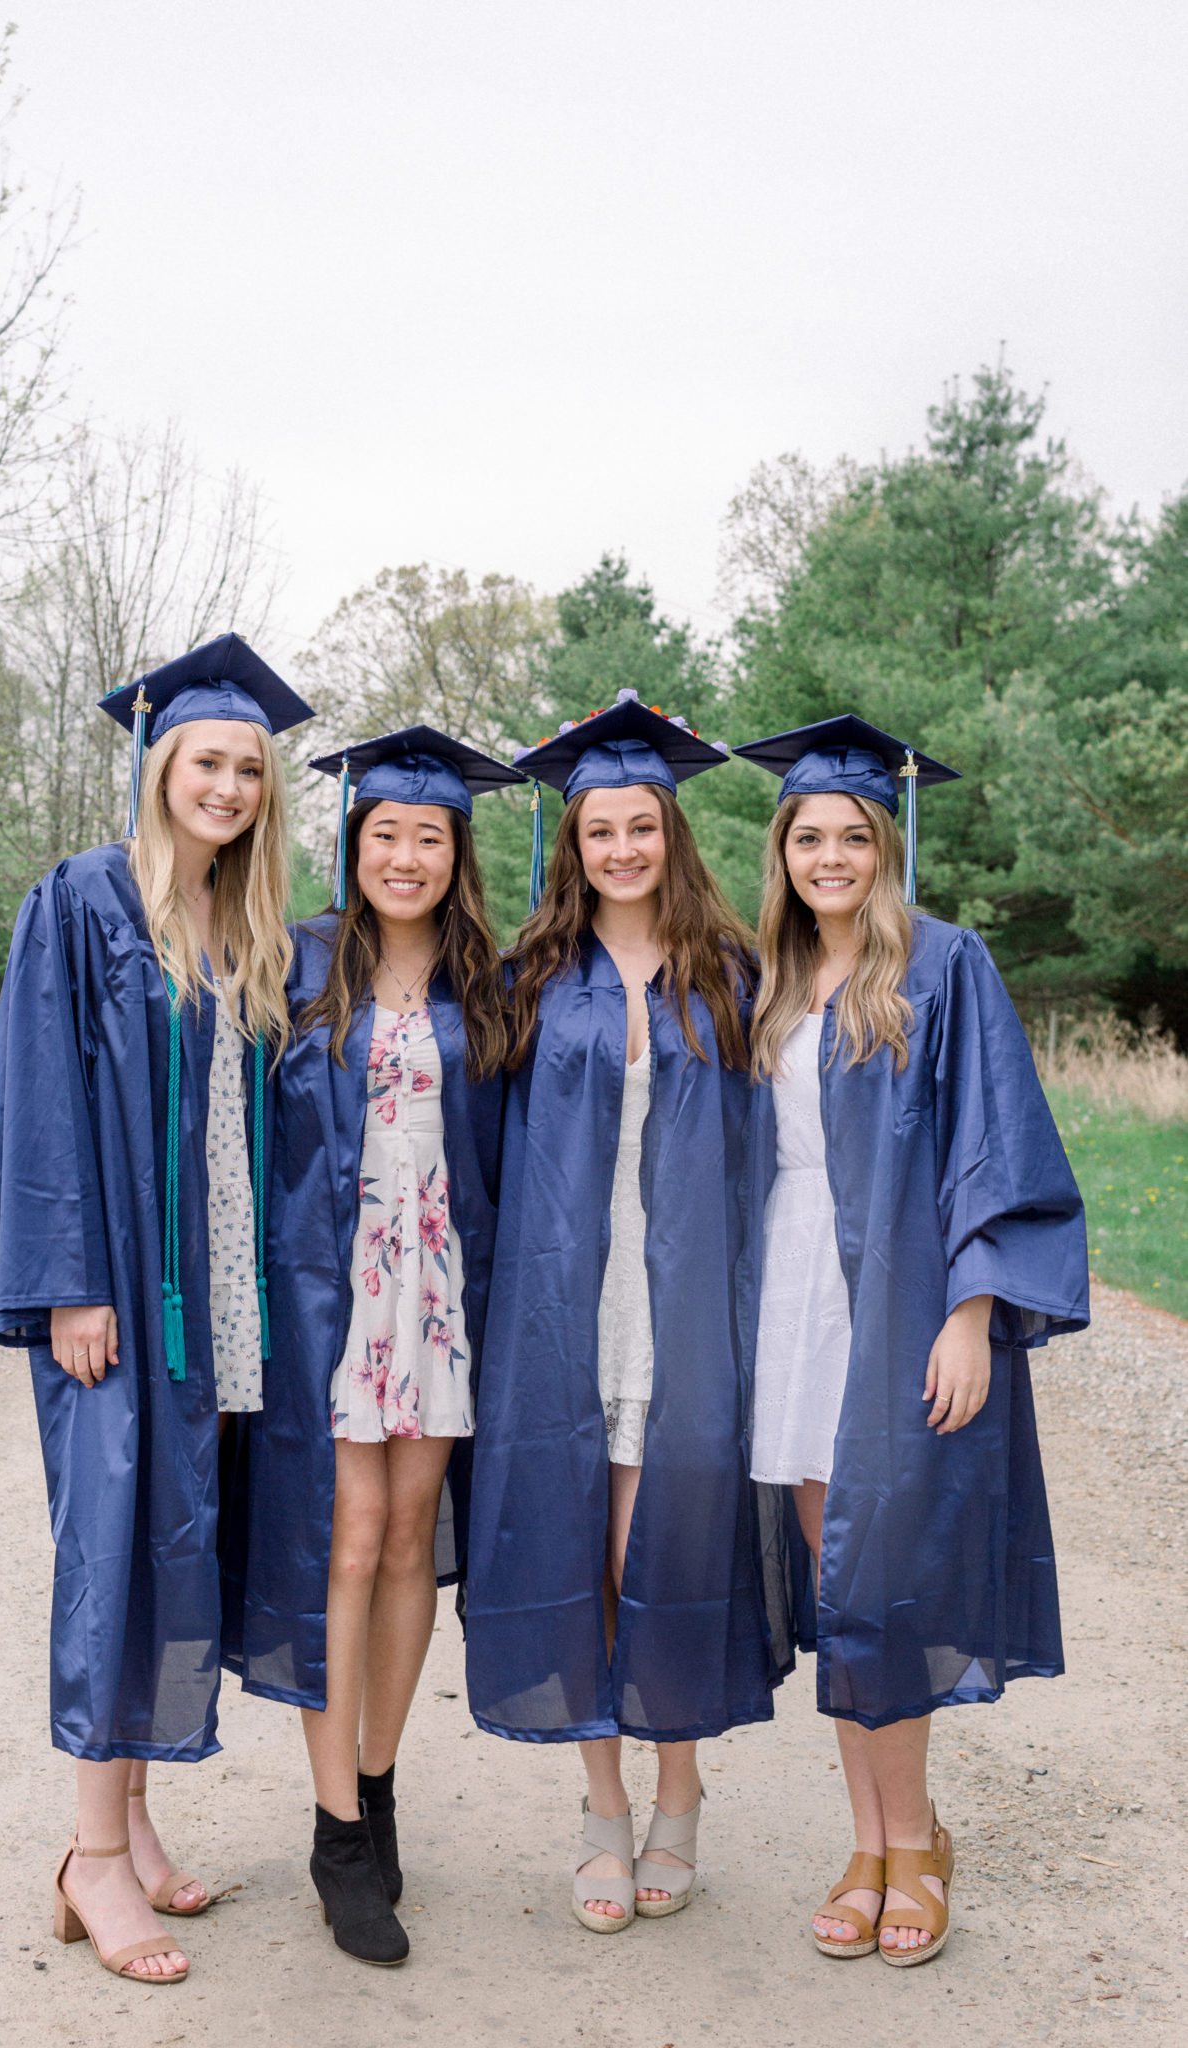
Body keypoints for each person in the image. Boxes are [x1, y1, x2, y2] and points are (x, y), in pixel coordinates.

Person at [733, 714, 1088, 1967]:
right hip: (790, 1298)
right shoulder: (766, 980)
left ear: (884, 848)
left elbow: (1000, 1144)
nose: (830, 856)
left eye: (852, 836)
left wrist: (974, 1311)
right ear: (781, 853)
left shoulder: (946, 965)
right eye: (808, 836)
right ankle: (873, 1841)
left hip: (897, 1300)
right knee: (843, 1585)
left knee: (886, 1575)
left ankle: (917, 1835)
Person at [0, 635, 312, 1984]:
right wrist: (68, 1285)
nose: (226, 784)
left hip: (216, 1303)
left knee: (177, 1542)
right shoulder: (80, 903)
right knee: (115, 1549)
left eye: (247, 767)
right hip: (119, 1291)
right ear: (157, 765)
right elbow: (40, 1101)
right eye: (206, 761)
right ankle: (89, 1858)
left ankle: (132, 1824)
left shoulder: (247, 929)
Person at [465, 691, 778, 1937]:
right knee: (584, 1548)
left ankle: (681, 1792)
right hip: (563, 1307)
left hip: (686, 1304)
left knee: (673, 1545)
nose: (622, 849)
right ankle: (603, 1804)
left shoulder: (739, 970)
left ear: (672, 835)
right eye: (600, 831)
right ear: (573, 843)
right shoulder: (531, 974)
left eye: (641, 826)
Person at [222, 727, 519, 1966]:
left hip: (439, 1298)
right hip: (327, 1299)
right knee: (340, 1540)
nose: (406, 855)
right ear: (354, 843)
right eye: (386, 833)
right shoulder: (291, 964)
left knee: (410, 1542)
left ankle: (380, 1780)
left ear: (457, 855)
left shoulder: (492, 989)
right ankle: (337, 1827)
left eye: (429, 836)